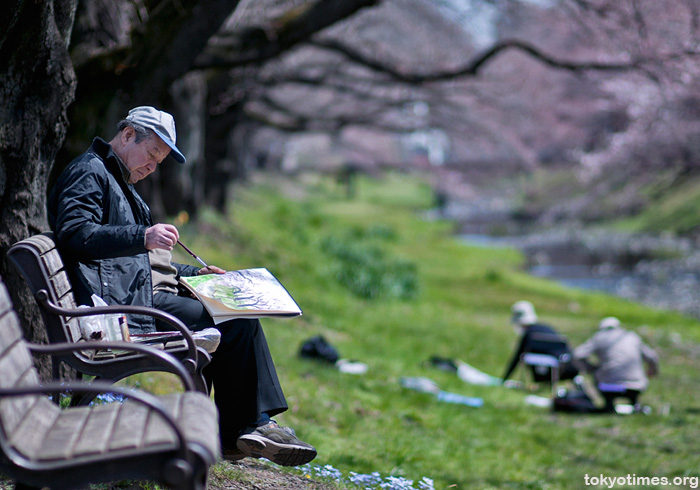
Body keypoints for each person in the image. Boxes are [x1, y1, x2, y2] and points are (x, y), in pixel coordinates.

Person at [47, 106, 316, 466]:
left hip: (134, 295)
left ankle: (249, 429)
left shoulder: (116, 179)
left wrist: (199, 277)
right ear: (128, 135)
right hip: (119, 308)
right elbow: (75, 233)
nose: (152, 167)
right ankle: (246, 431)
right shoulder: (89, 172)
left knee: (236, 314)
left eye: (159, 161)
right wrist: (142, 235)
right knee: (235, 323)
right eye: (151, 154)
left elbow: (144, 263)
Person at [573, 316, 659, 413]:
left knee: (599, 374)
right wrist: (653, 371)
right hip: (636, 386)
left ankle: (609, 405)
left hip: (609, 387)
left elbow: (577, 354)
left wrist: (591, 368)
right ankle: (634, 403)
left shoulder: (599, 337)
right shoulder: (632, 336)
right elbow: (652, 357)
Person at [502, 300, 579, 384]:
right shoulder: (547, 328)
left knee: (529, 355)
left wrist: (504, 379)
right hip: (567, 368)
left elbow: (517, 357)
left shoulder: (530, 334)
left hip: (547, 374)